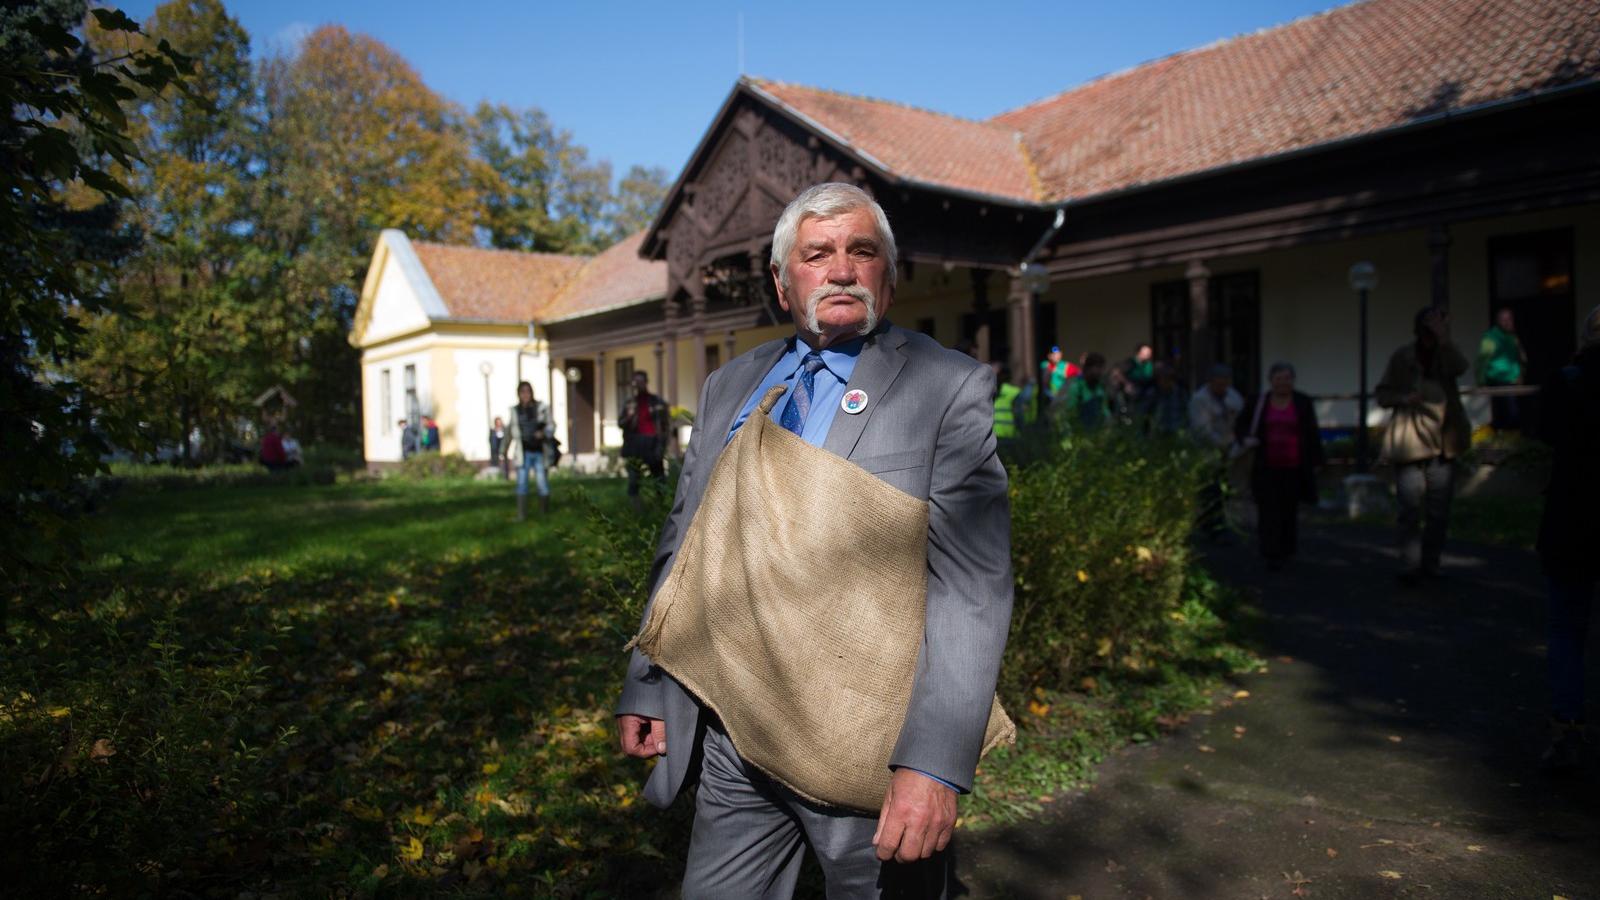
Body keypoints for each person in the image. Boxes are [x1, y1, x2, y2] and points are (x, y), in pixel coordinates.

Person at [616, 183, 1012, 897]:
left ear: (888, 277)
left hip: (864, 749)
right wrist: (647, 682)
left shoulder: (942, 388)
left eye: (863, 252)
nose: (840, 270)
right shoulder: (730, 385)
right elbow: (686, 542)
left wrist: (932, 765)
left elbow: (971, 586)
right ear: (781, 280)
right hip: (733, 731)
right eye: (817, 254)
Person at [1534, 305, 1600, 771]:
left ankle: (1567, 727)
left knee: (1567, 629)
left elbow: (1544, 433)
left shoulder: (1568, 380)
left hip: (1572, 520)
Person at [1376, 306, 1470, 585]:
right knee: (1409, 507)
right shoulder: (1403, 356)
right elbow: (1383, 394)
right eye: (1432, 322)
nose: (1436, 326)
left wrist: (1444, 340)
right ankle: (1409, 564)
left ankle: (1431, 563)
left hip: (1444, 440)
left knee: (1439, 510)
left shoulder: (1446, 352)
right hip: (1410, 440)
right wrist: (1405, 398)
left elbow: (1460, 368)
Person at [1235, 362, 1324, 570]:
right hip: (1265, 465)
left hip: (1294, 465)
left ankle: (1287, 550)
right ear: (1271, 381)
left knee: (1289, 510)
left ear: (1293, 380)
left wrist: (1317, 460)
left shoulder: (1302, 402)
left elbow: (1311, 432)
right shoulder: (1259, 402)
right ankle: (1270, 551)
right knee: (1267, 510)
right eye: (1278, 379)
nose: (1283, 383)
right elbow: (1240, 424)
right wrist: (1245, 440)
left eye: (1287, 378)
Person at [1190, 364, 1245, 541]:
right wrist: (1222, 445)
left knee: (1223, 490)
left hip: (1229, 449)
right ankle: (1211, 526)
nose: (1221, 387)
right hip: (1207, 452)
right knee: (1210, 490)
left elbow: (1239, 417)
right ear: (1210, 382)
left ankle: (1219, 523)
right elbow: (1202, 430)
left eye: (1224, 383)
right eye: (1218, 383)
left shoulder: (1233, 397)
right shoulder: (1199, 400)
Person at [619, 370, 671, 512]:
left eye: (640, 382)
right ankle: (637, 510)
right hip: (634, 443)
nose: (638, 385)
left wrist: (663, 444)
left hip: (652, 442)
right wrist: (629, 416)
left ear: (646, 382)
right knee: (634, 478)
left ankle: (660, 508)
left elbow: (665, 424)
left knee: (658, 477)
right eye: (635, 382)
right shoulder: (630, 403)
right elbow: (621, 423)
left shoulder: (657, 402)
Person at [1477, 307, 1529, 431]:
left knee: (1516, 415)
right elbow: (1482, 361)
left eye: (1509, 319)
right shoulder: (1491, 338)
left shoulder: (1512, 338)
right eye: (1503, 319)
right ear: (1497, 321)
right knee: (1507, 415)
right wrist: (1481, 382)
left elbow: (1521, 359)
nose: (1507, 322)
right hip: (1498, 382)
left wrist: (1521, 375)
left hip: (1514, 381)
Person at [508, 382, 552, 519]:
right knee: (522, 484)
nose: (525, 394)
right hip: (523, 452)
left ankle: (544, 514)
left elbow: (551, 425)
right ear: (519, 394)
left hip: (539, 451)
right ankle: (522, 515)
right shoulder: (515, 411)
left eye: (528, 391)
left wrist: (544, 433)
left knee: (542, 483)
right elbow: (510, 430)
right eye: (522, 392)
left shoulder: (541, 408)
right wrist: (503, 449)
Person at [1138, 362, 1188, 435]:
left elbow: (1186, 413)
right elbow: (1143, 414)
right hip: (1157, 434)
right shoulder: (1152, 394)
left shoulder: (1180, 393)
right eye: (1162, 378)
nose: (1164, 381)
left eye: (1168, 378)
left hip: (1177, 433)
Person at [1064, 351, 1110, 430]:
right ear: (1089, 368)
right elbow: (1070, 412)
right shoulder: (1077, 386)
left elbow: (1104, 410)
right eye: (1099, 368)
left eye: (1102, 368)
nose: (1101, 372)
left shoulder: (1100, 387)